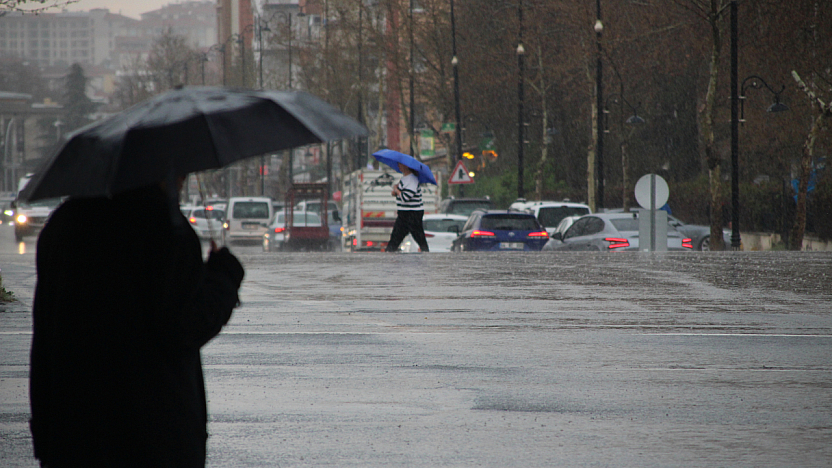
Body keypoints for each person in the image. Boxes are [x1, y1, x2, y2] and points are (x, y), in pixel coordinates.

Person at [29, 180, 245, 468]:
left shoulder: (64, 225)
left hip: (72, 431)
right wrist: (224, 277)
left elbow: (43, 339)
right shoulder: (164, 228)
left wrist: (46, 434)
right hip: (154, 438)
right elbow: (186, 325)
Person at [385, 163, 429, 252]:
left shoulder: (412, 179)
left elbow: (405, 197)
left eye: (400, 165)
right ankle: (389, 253)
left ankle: (425, 253)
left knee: (418, 237)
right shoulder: (404, 179)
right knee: (396, 237)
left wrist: (396, 190)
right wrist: (396, 191)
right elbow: (401, 194)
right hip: (404, 212)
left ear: (407, 166)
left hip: (412, 213)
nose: (398, 166)